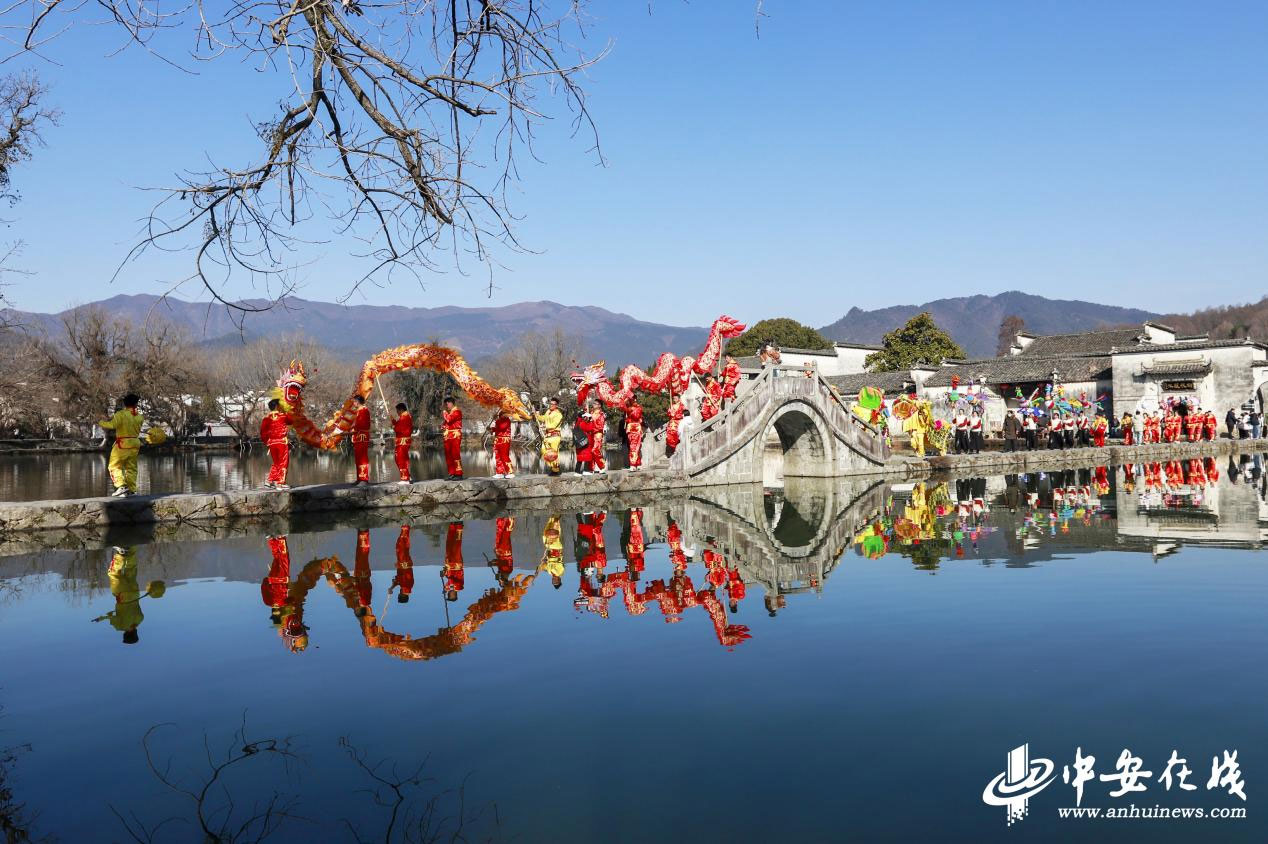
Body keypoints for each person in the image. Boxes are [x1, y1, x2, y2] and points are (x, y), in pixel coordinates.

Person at [99, 393, 144, 497]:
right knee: (131, 468)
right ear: (136, 404)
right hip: (135, 443)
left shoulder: (121, 414)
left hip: (122, 444)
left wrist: (101, 422)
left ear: (124, 404)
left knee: (114, 465)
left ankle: (121, 486)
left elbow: (112, 425)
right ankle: (132, 490)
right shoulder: (140, 417)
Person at [260, 398, 291, 489]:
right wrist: (286, 411)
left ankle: (270, 481)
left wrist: (267, 442)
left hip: (272, 443)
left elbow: (263, 433)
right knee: (283, 463)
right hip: (281, 442)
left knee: (276, 462)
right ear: (277, 406)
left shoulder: (266, 419)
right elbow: (291, 421)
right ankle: (280, 483)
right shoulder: (283, 416)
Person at [262, 535, 291, 624]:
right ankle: (271, 539)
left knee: (284, 558)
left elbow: (292, 599)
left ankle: (280, 538)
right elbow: (263, 588)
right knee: (277, 558)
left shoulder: (284, 604)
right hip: (272, 579)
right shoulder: (267, 602)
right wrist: (268, 580)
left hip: (283, 579)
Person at [534, 397, 564, 476]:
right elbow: (542, 418)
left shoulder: (558, 415)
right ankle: (553, 467)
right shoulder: (548, 412)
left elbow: (553, 425)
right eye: (550, 404)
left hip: (555, 436)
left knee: (553, 453)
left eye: (553, 404)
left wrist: (544, 427)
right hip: (547, 436)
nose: (551, 405)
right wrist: (536, 414)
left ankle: (555, 469)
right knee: (544, 450)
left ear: (556, 405)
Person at [441, 396, 464, 479]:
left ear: (451, 403)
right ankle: (452, 473)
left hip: (455, 435)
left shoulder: (457, 412)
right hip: (448, 436)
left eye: (447, 404)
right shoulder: (450, 413)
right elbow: (447, 423)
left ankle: (459, 473)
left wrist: (444, 413)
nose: (446, 406)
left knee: (455, 454)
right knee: (448, 455)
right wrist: (443, 426)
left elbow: (449, 419)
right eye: (446, 404)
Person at [351, 394, 371, 485]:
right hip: (358, 437)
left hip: (362, 436)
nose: (353, 403)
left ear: (357, 402)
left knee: (363, 457)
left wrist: (353, 427)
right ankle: (359, 478)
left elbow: (363, 424)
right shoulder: (359, 411)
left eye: (354, 402)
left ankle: (364, 478)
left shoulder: (364, 410)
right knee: (358, 458)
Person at [391, 402, 413, 484]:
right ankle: (408, 476)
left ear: (401, 410)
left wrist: (394, 427)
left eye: (397, 411)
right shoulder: (404, 417)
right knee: (402, 459)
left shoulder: (405, 417)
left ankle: (405, 478)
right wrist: (393, 421)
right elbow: (399, 425)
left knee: (401, 459)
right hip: (403, 441)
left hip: (403, 441)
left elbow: (400, 429)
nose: (397, 412)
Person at [391, 525, 414, 603]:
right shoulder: (406, 587)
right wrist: (392, 586)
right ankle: (405, 528)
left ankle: (405, 529)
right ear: (401, 596)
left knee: (402, 547)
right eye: (399, 595)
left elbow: (398, 581)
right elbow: (400, 579)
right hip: (404, 564)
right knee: (401, 546)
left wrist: (392, 587)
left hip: (404, 563)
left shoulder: (406, 587)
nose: (399, 593)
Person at [489, 409, 514, 479]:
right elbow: (497, 428)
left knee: (504, 456)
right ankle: (500, 472)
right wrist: (491, 429)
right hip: (497, 439)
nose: (504, 415)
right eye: (502, 414)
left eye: (505, 414)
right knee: (498, 456)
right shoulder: (498, 421)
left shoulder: (507, 420)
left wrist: (495, 420)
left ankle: (510, 472)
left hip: (504, 440)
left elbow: (502, 427)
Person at [443, 521, 464, 601]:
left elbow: (448, 577)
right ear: (454, 595)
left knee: (449, 544)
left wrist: (443, 572)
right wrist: (447, 587)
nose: (449, 595)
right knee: (456, 544)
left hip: (448, 563)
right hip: (456, 565)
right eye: (450, 596)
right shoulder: (459, 587)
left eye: (448, 596)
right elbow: (453, 580)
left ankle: (452, 526)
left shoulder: (447, 587)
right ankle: (459, 526)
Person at [625, 399, 644, 471]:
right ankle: (637, 463)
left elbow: (637, 416)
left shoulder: (638, 408)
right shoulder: (629, 408)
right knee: (633, 446)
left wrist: (629, 410)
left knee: (635, 446)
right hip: (631, 427)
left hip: (636, 427)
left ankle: (633, 464)